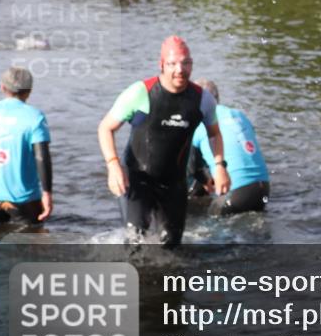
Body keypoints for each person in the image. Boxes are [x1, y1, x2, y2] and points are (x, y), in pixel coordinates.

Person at [97, 36, 230, 247]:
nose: (180, 69)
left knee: (171, 245)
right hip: (137, 178)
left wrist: (219, 166)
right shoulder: (140, 93)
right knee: (135, 242)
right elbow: (105, 127)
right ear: (161, 65)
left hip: (174, 183)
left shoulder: (202, 100)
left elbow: (215, 134)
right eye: (172, 64)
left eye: (186, 63)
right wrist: (113, 165)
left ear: (192, 64)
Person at [0, 67, 53, 227]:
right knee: (31, 244)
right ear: (29, 90)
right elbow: (42, 157)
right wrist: (47, 193)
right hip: (24, 199)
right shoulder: (35, 116)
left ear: (2, 87)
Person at [187, 79, 270, 216]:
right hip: (263, 190)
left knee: (207, 224)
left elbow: (192, 168)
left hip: (235, 194)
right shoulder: (239, 114)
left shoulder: (199, 123)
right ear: (218, 99)